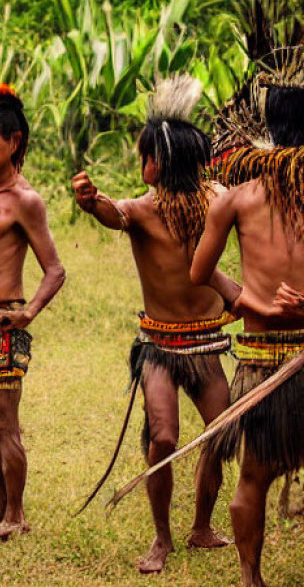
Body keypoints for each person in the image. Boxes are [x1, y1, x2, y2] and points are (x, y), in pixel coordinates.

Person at [72, 75, 236, 572]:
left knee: (221, 432)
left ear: (161, 162)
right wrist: (90, 200)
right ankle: (161, 538)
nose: (140, 166)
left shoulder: (219, 200)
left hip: (207, 346)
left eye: (144, 156)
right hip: (159, 348)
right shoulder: (142, 211)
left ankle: (202, 526)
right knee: (163, 438)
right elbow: (112, 212)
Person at [191, 79, 304, 587]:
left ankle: (249, 577)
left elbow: (200, 272)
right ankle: (249, 578)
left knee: (253, 477)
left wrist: (248, 301)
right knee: (254, 476)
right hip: (263, 360)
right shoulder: (235, 199)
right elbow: (200, 271)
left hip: (264, 359)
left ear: (270, 131)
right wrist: (252, 301)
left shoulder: (236, 197)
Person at [0, 82, 65, 541]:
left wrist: (27, 314)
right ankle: (2, 507)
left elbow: (55, 270)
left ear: (14, 141)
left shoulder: (26, 201)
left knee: (4, 422)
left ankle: (16, 516)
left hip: (5, 321)